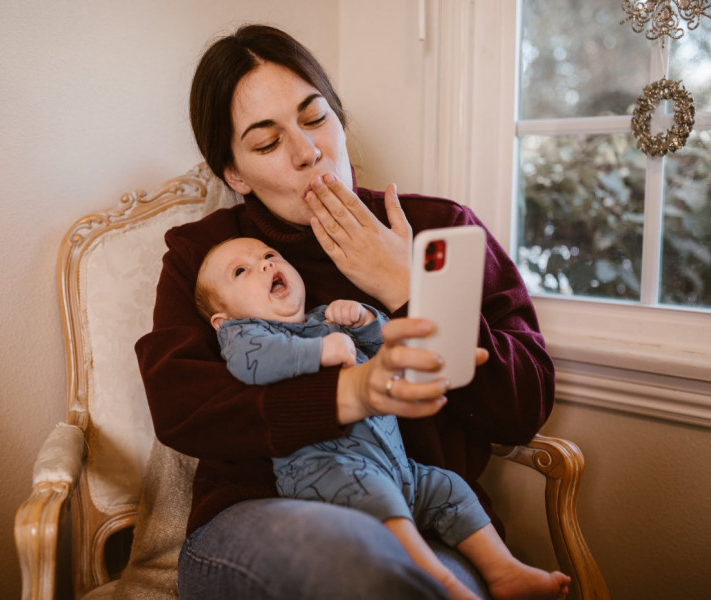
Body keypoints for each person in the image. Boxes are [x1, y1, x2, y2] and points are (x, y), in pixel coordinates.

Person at [135, 23, 559, 599]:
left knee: (411, 580)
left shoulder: (441, 228)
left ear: (338, 116)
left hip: (430, 521)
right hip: (257, 519)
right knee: (359, 566)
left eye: (314, 118)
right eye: (266, 143)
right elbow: (181, 406)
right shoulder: (207, 256)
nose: (308, 151)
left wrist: (404, 285)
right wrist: (348, 393)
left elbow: (521, 408)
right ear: (234, 173)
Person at [193, 236, 570, 600]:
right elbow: (252, 364)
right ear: (220, 320)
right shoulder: (244, 333)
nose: (265, 264)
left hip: (398, 467)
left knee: (449, 487)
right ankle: (438, 580)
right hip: (327, 472)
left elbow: (389, 349)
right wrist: (318, 351)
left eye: (269, 254)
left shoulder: (327, 319)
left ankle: (503, 569)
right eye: (241, 271)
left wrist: (364, 321)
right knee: (376, 500)